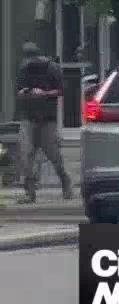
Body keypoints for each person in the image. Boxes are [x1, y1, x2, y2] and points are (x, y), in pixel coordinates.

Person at [14, 44, 73, 203]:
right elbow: (19, 91)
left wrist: (44, 93)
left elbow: (61, 90)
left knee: (53, 154)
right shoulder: (24, 69)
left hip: (47, 118)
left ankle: (65, 181)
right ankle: (30, 192)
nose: (28, 63)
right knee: (26, 154)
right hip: (28, 116)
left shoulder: (52, 68)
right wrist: (27, 92)